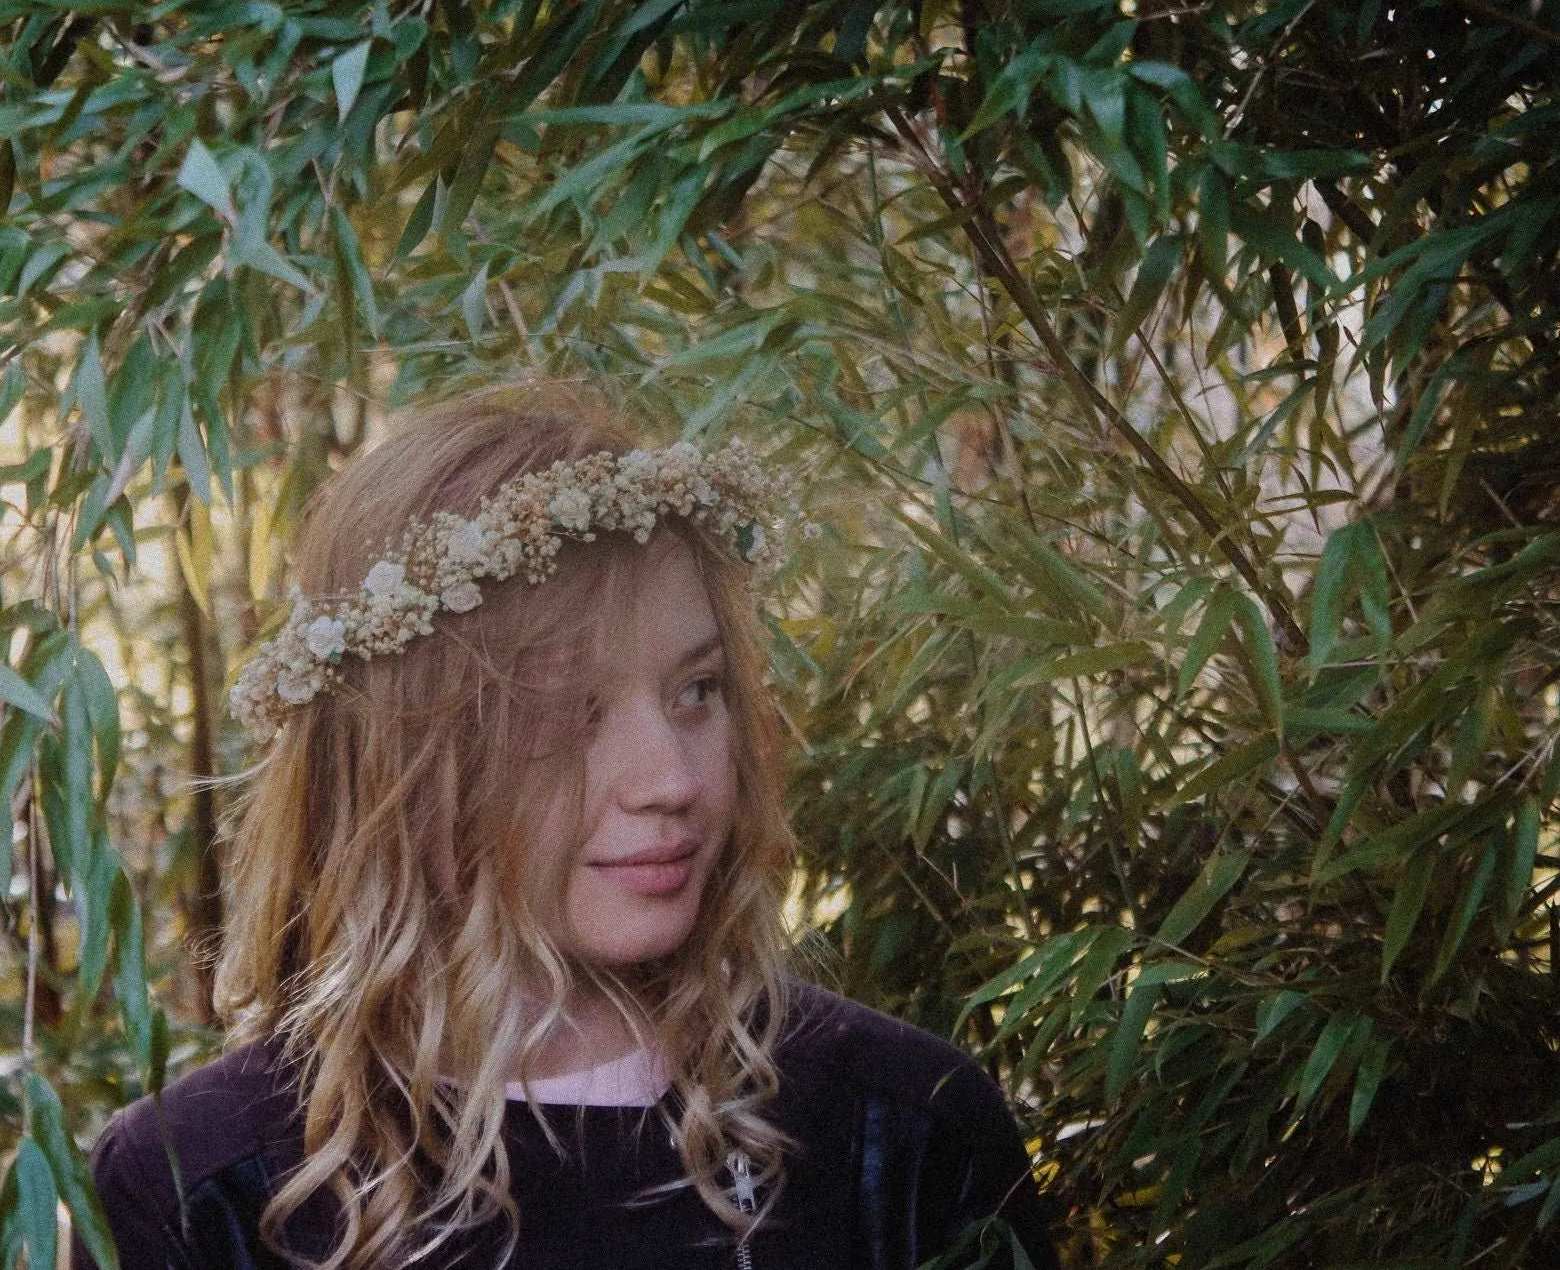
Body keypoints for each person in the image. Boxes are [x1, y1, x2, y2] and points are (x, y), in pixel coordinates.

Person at [76, 384, 1060, 1270]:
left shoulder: (899, 1129)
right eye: (564, 713)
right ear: (399, 757)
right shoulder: (198, 1188)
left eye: (696, 690)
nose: (669, 779)